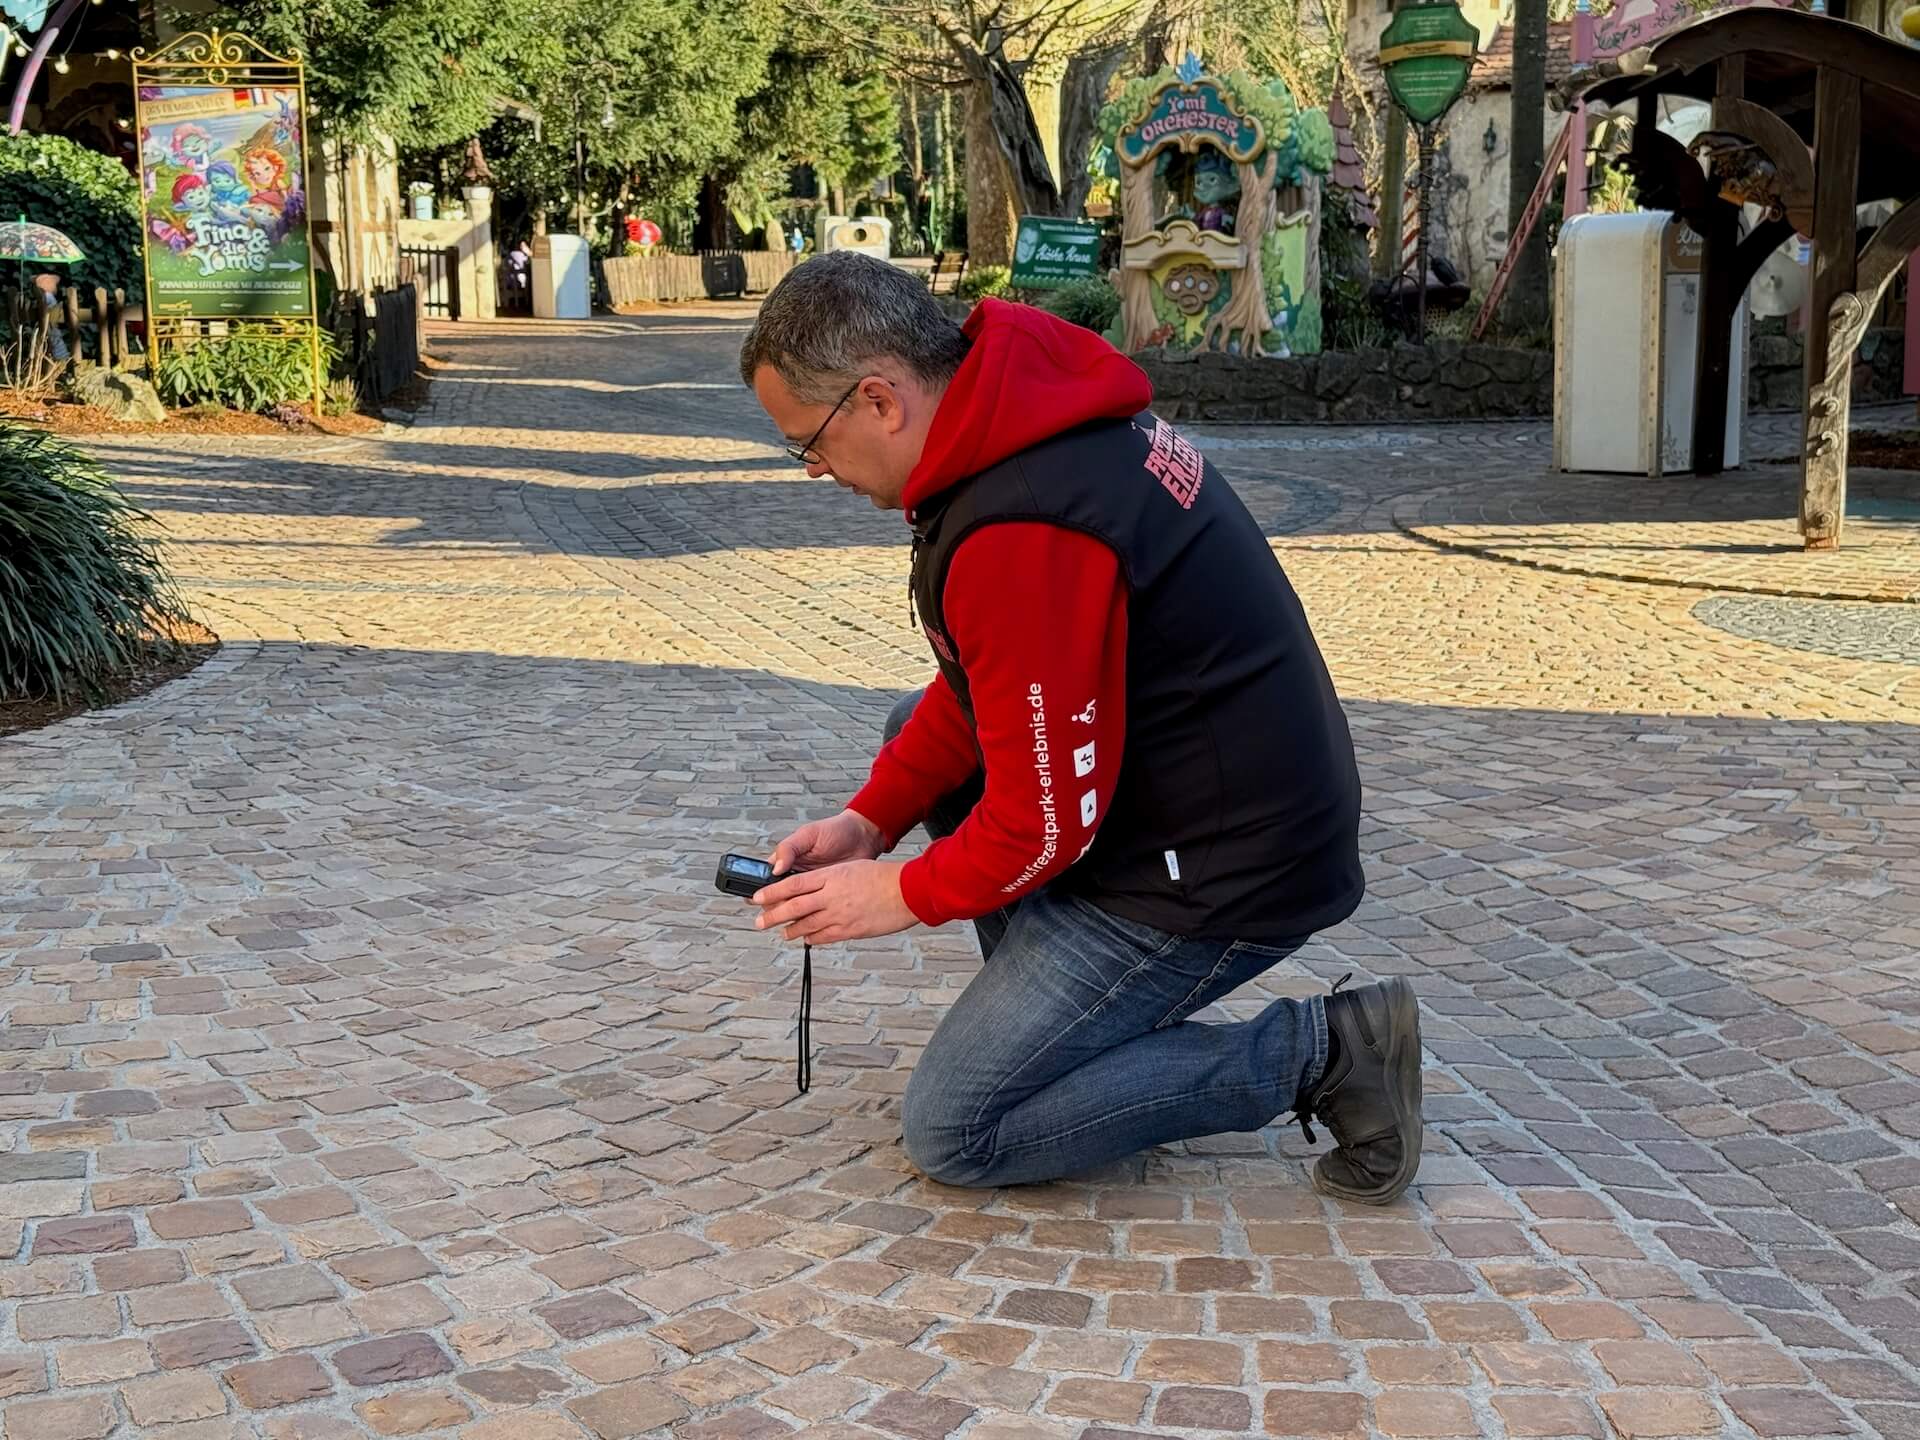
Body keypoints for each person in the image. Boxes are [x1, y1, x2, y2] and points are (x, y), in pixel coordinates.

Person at [737, 252, 1423, 1204]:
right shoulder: (1019, 413)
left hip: (1222, 869)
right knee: (916, 739)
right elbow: (983, 685)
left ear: (879, 400)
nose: (814, 469)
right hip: (1195, 804)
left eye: (807, 442)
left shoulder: (1024, 522)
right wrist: (869, 820)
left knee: (959, 1129)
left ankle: (1329, 1054)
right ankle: (1076, 1025)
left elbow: (1039, 824)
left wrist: (895, 892)